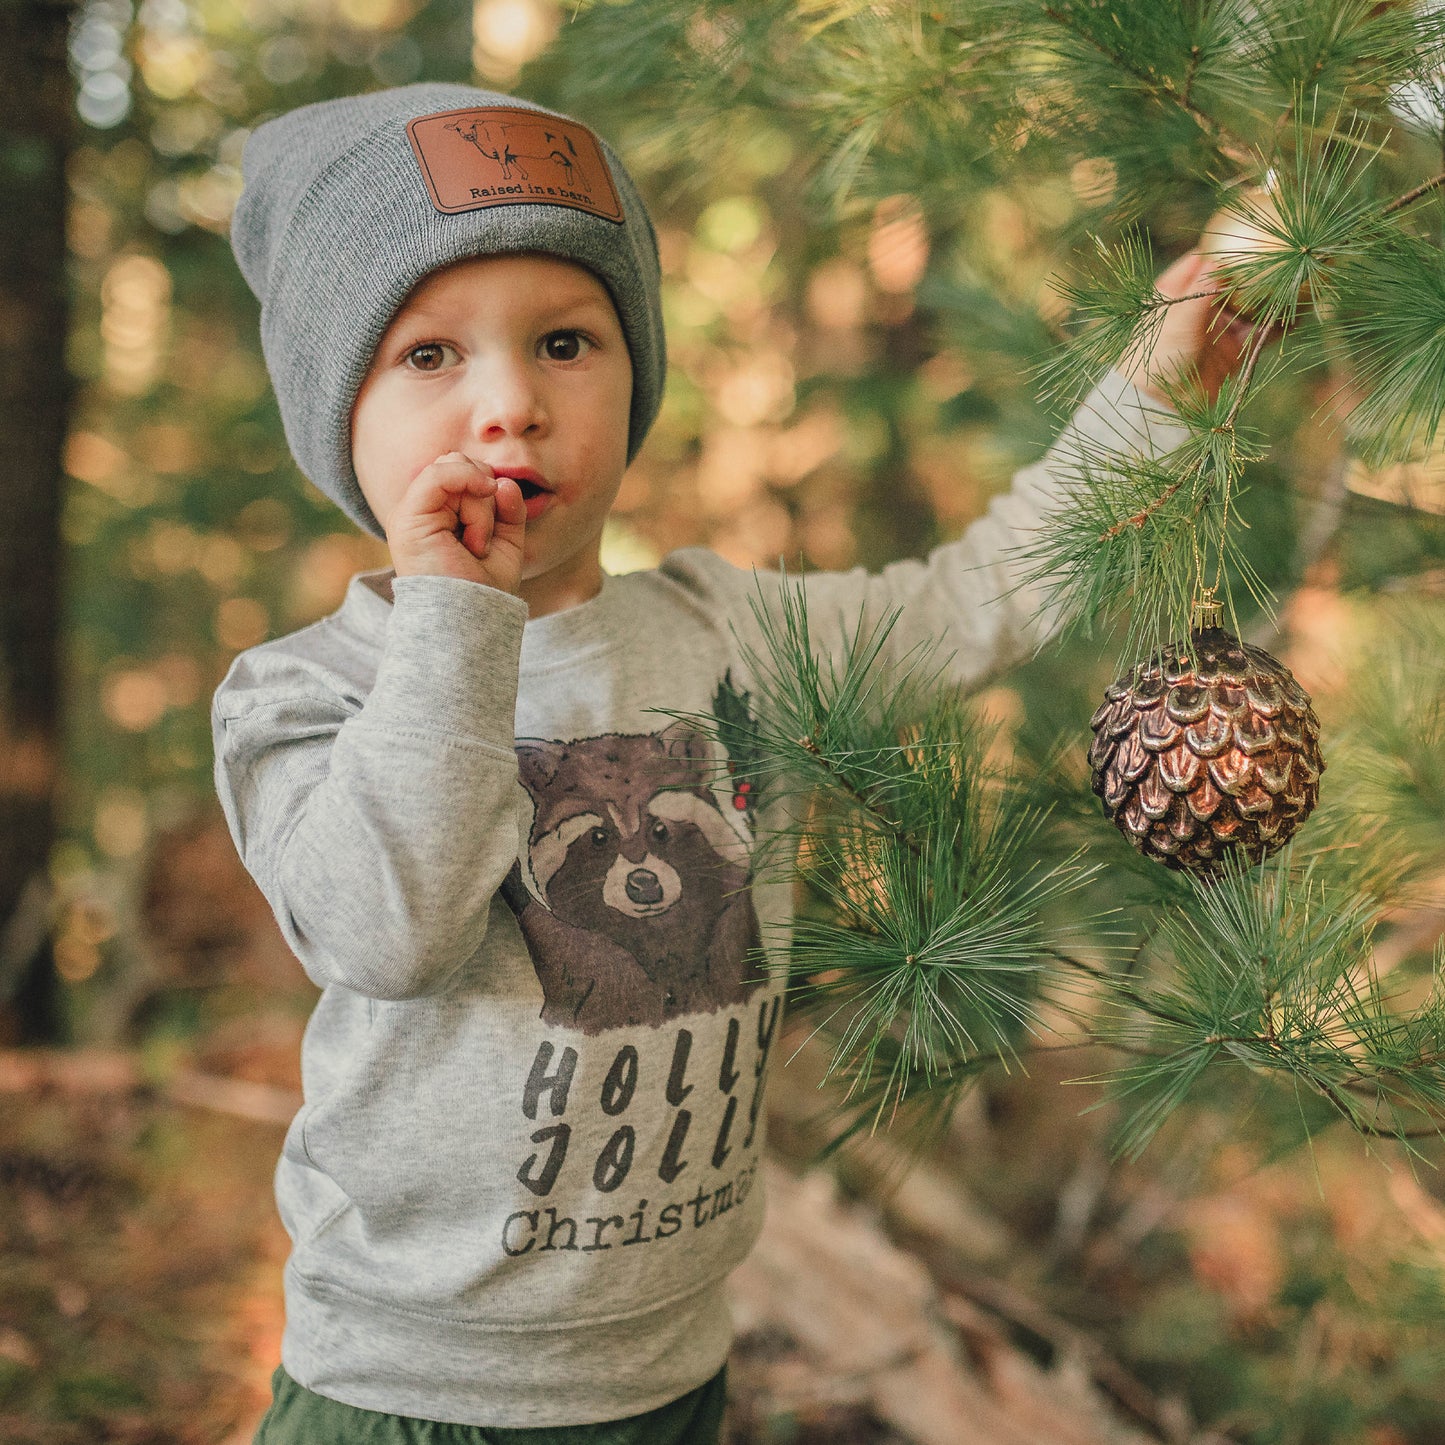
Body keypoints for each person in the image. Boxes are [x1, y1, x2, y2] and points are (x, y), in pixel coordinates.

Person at [212, 81, 1242, 1445]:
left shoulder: (729, 635)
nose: (510, 404)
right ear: (332, 415)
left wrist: (1154, 386)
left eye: (566, 340)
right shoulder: (302, 691)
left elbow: (972, 598)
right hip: (411, 1388)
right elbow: (384, 930)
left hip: (671, 1377)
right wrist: (459, 616)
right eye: (429, 357)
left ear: (636, 375)